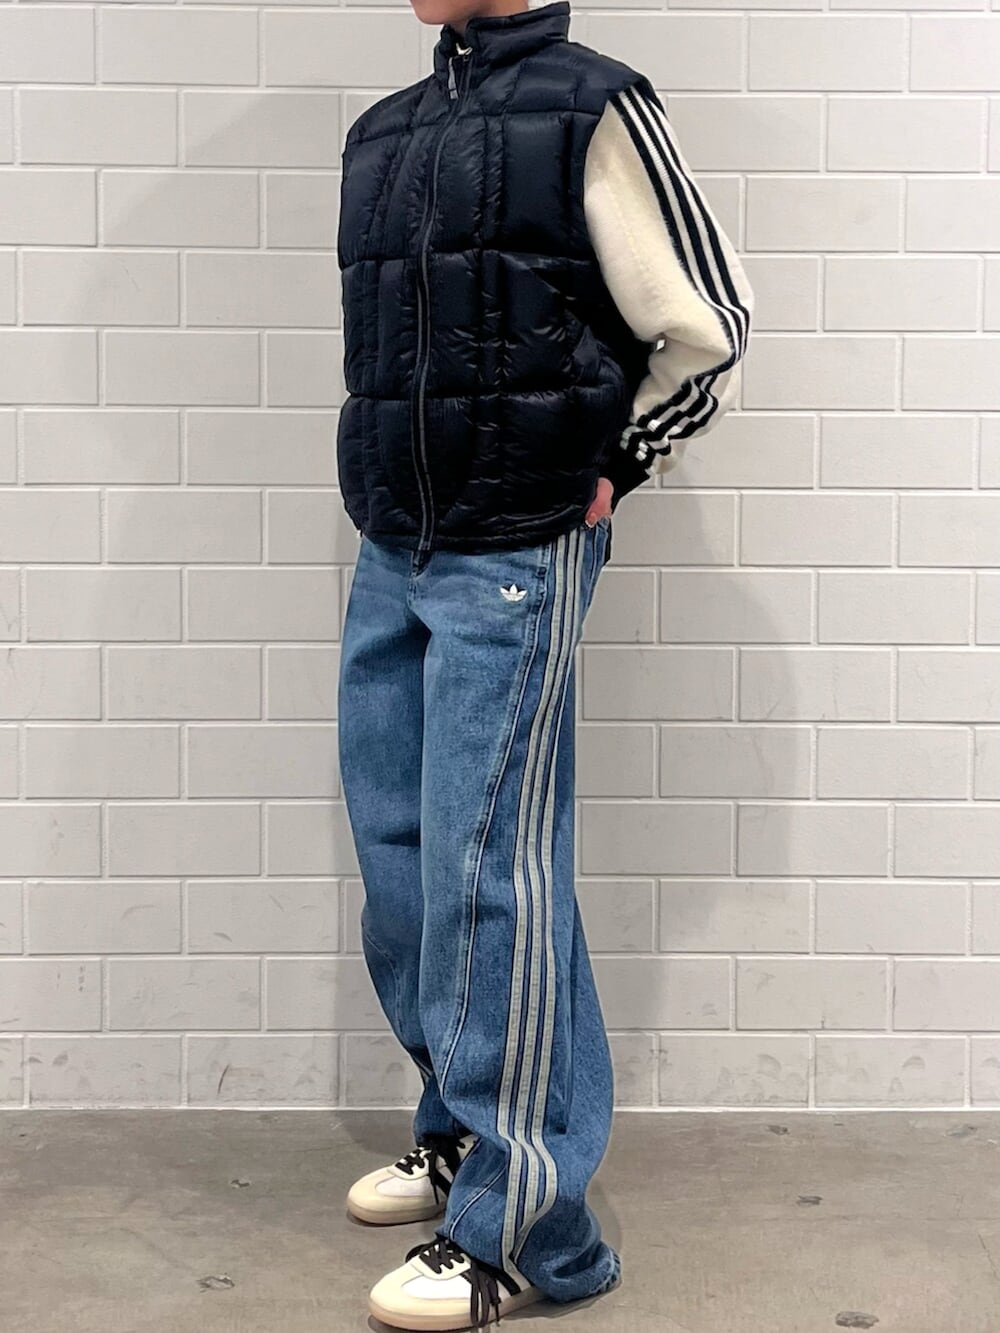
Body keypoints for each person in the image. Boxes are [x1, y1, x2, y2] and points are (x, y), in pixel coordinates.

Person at [335, 0, 754, 1327]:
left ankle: (530, 1229)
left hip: (516, 543)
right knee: (403, 860)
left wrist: (619, 464)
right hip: (395, 540)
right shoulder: (385, 132)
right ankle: (464, 1130)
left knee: (487, 873)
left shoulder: (593, 105)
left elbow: (709, 325)